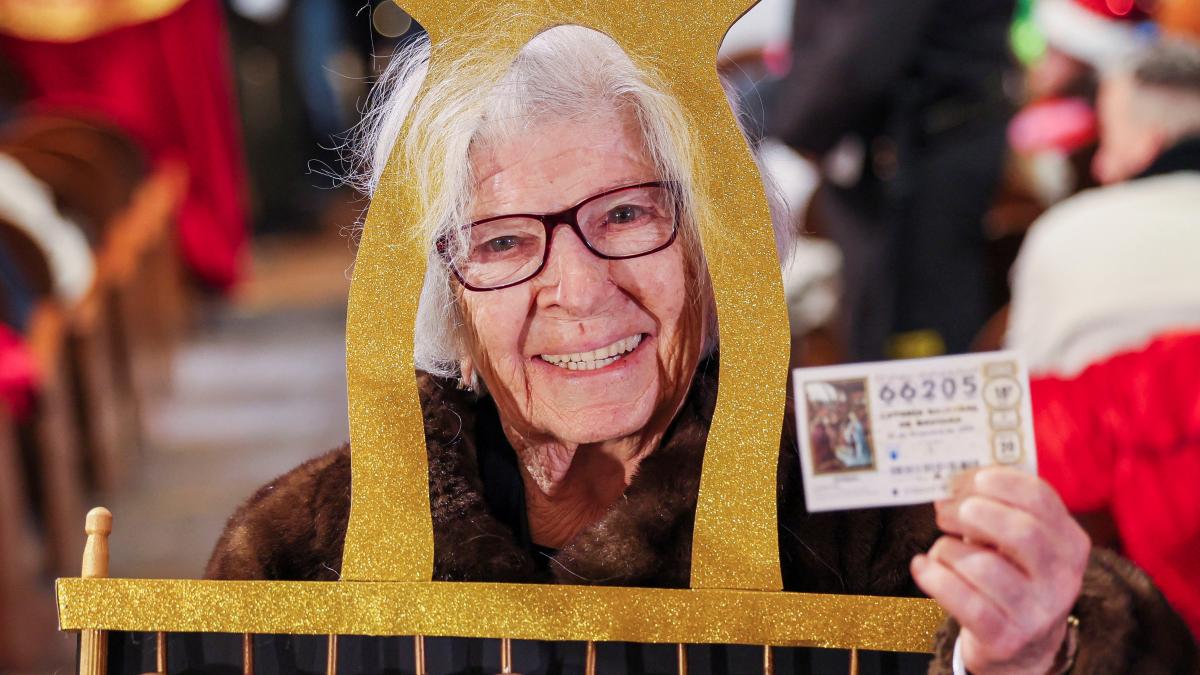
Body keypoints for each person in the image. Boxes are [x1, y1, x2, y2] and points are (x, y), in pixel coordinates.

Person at [207, 27, 1196, 674]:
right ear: (442, 295)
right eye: (503, 240)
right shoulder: (305, 550)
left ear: (721, 249)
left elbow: (1138, 647)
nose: (581, 291)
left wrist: (1048, 651)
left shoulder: (884, 517)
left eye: (630, 214)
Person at [767, 0, 1015, 360]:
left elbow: (858, 56)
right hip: (927, 137)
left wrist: (791, 128)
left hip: (917, 155)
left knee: (911, 329)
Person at [1007, 41, 1200, 377]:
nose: (1098, 167)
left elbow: (1025, 385)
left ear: (1147, 144)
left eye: (1108, 139)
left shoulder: (1064, 234)